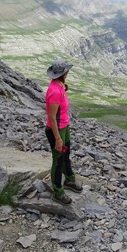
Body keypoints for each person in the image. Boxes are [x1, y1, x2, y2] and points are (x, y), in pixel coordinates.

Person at [44, 59, 82, 204]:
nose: (68, 72)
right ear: (63, 73)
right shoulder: (54, 91)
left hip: (64, 127)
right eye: (67, 71)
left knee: (65, 155)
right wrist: (58, 139)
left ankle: (69, 180)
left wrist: (64, 88)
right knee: (58, 160)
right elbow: (52, 118)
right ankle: (58, 192)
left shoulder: (59, 86)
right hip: (56, 130)